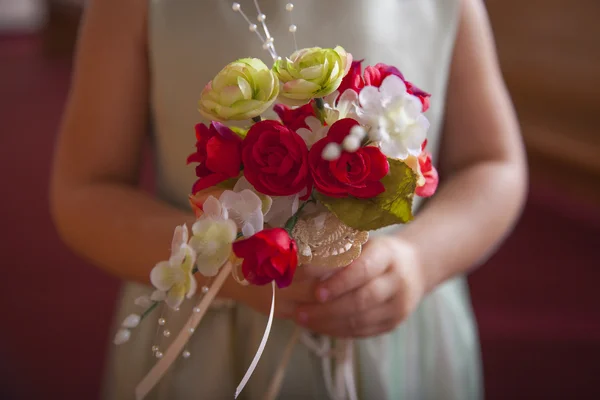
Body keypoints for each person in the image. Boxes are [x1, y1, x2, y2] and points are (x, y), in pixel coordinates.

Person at [49, 0, 526, 398]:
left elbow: (494, 164)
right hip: (209, 338)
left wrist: (419, 261)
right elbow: (86, 188)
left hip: (390, 328)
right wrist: (224, 267)